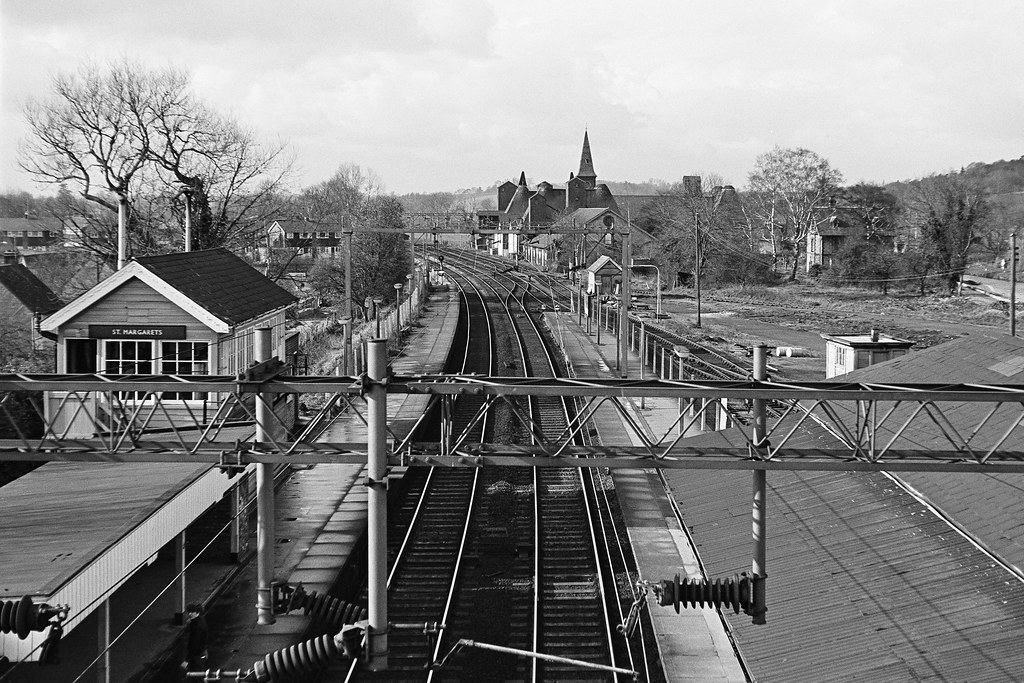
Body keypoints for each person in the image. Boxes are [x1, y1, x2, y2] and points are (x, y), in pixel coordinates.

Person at [180, 602, 209, 674]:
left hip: (197, 656)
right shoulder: (201, 620)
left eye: (192, 612)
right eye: (189, 611)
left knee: (196, 676)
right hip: (202, 653)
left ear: (197, 612)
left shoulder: (196, 627)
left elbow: (194, 644)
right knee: (199, 675)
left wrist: (187, 660)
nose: (189, 614)